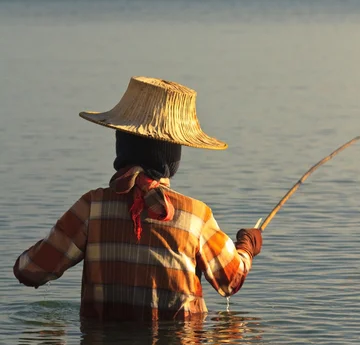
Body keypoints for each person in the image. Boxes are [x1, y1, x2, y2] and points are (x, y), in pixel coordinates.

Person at [13, 76, 262, 320]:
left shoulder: (92, 207)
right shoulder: (196, 216)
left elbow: (29, 271)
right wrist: (247, 246)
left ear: (122, 146)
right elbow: (230, 281)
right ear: (172, 157)